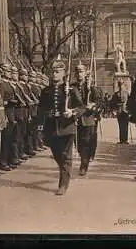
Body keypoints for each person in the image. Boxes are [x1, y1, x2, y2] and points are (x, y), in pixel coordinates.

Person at [37, 57, 84, 195]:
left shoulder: (70, 89)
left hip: (67, 127)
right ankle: (65, 172)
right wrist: (40, 127)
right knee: (57, 155)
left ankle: (63, 184)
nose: (54, 74)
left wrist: (72, 112)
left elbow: (82, 107)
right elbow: (40, 110)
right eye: (53, 72)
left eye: (58, 72)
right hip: (51, 127)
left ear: (64, 73)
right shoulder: (46, 91)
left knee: (66, 156)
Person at [71, 62, 102, 176]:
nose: (79, 74)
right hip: (77, 119)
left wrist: (93, 104)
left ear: (85, 73)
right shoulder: (72, 87)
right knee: (78, 143)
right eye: (77, 71)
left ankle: (84, 164)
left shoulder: (91, 87)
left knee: (87, 142)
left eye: (81, 71)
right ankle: (84, 157)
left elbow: (99, 101)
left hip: (89, 118)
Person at [110, 80, 130, 144]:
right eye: (120, 85)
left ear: (123, 85)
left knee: (126, 125)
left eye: (122, 85)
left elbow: (130, 102)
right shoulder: (116, 94)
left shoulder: (127, 93)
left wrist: (130, 110)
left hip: (126, 110)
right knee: (121, 125)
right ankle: (121, 140)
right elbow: (112, 103)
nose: (121, 86)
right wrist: (113, 110)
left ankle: (126, 140)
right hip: (119, 110)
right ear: (118, 86)